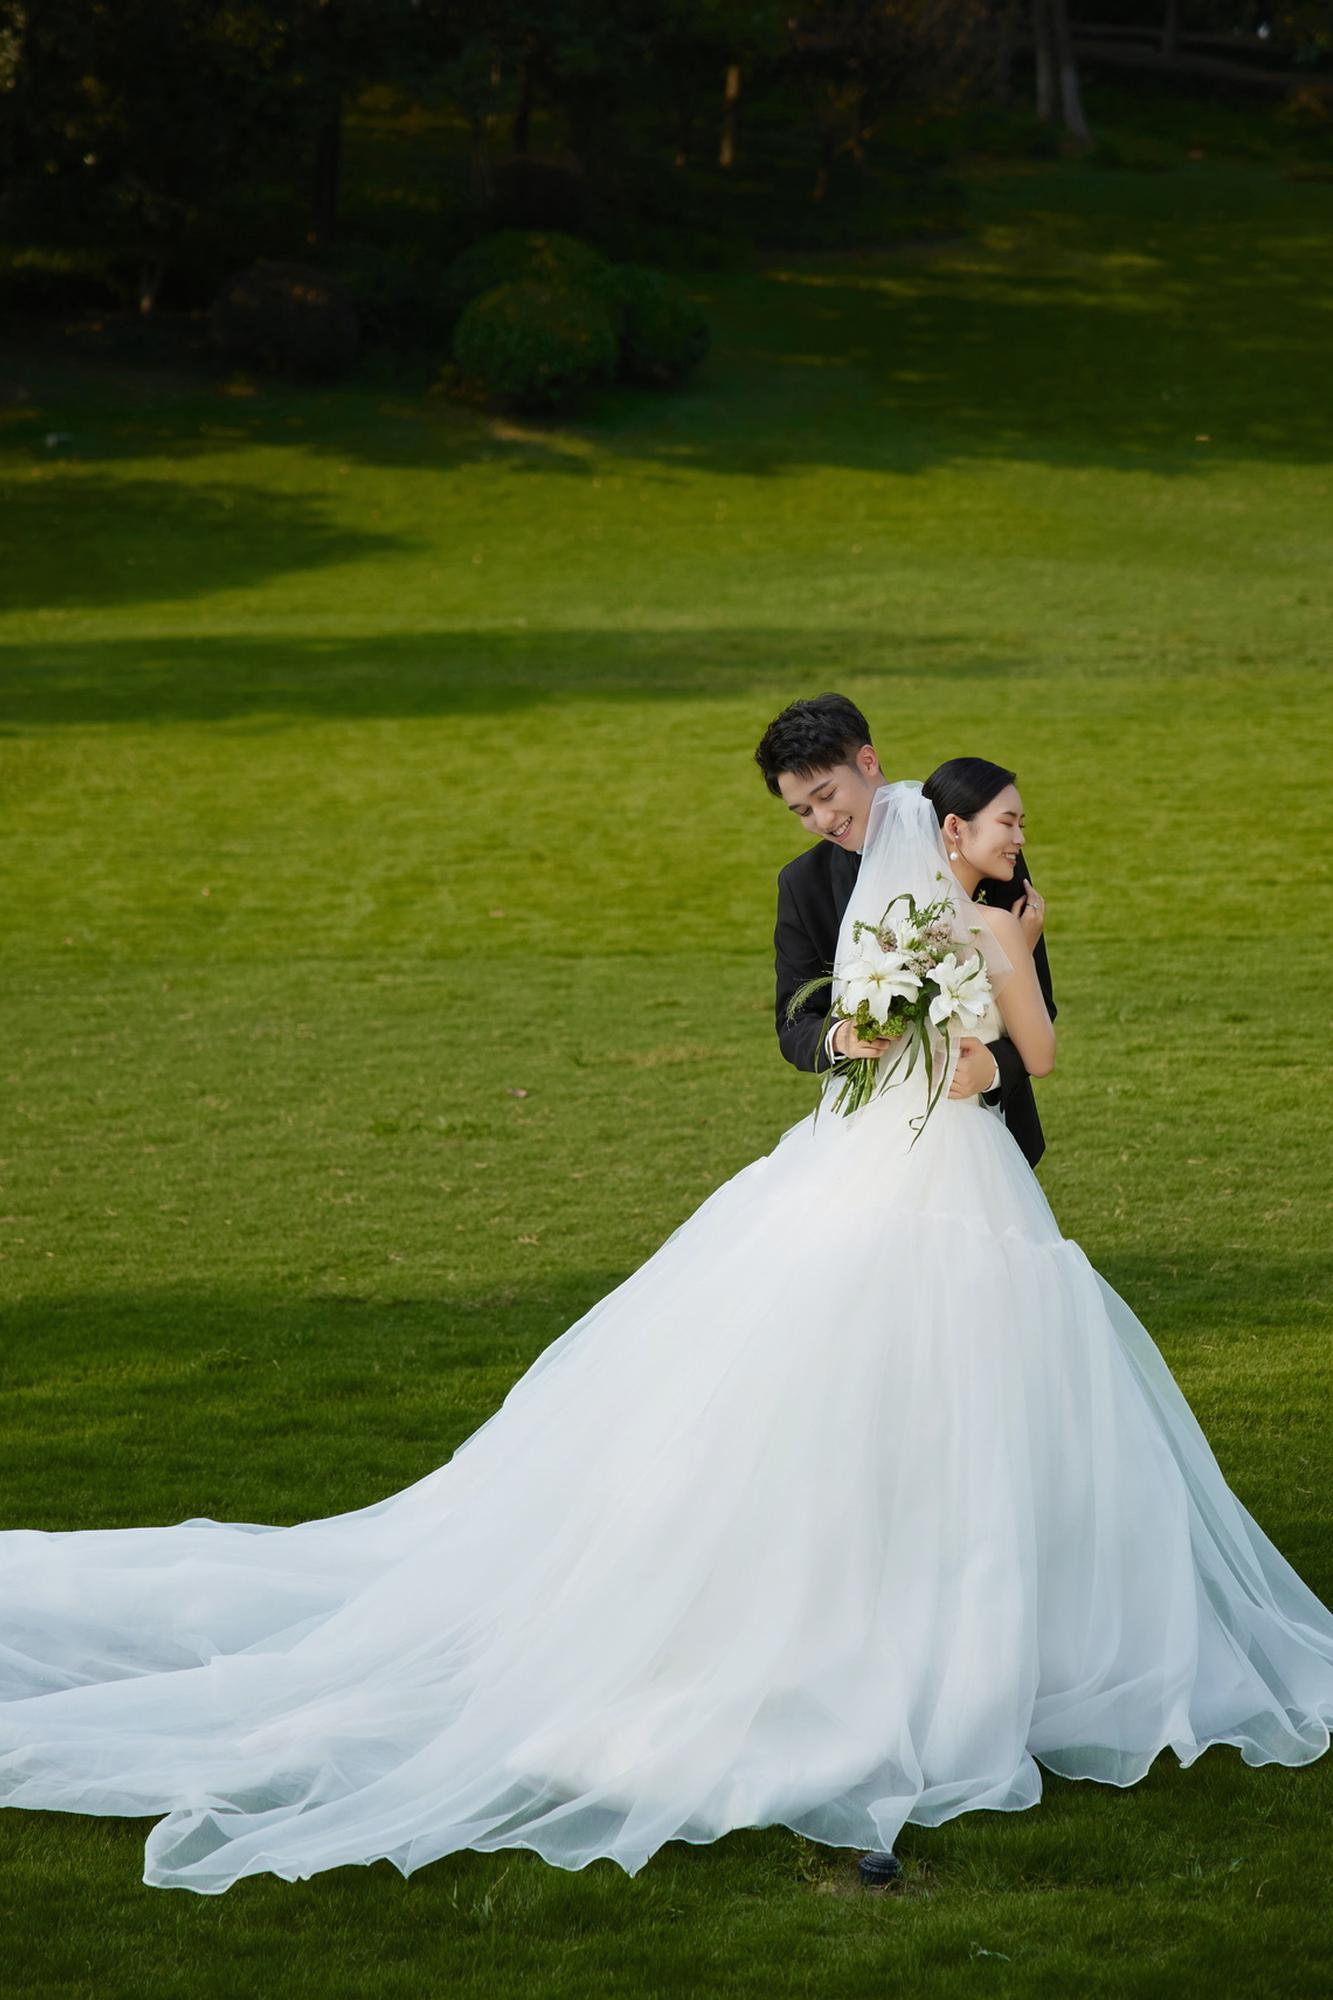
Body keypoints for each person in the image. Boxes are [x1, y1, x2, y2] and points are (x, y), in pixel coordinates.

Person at [3, 746, 1332, 1898]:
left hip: (932, 1164)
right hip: (909, 1160)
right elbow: (905, 1041)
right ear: (948, 833)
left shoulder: (957, 918)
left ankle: (969, 1631)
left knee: (950, 1385)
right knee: (896, 1375)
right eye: (1003, 822)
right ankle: (889, 1629)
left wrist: (969, 1004)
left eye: (1012, 823)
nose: (1015, 836)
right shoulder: (901, 908)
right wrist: (932, 1008)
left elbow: (961, 1049)